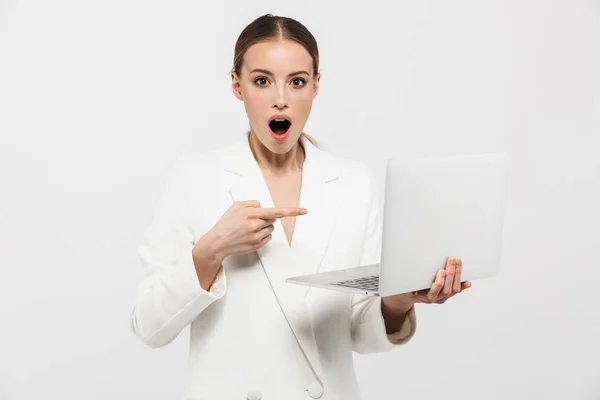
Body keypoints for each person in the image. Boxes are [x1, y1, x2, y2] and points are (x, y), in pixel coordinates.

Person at [129, 13, 471, 400]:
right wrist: (213, 249)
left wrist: (398, 300)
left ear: (316, 86)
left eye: (297, 82)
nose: (280, 98)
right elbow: (150, 326)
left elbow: (357, 329)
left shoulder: (354, 183)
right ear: (236, 85)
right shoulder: (194, 179)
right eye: (262, 81)